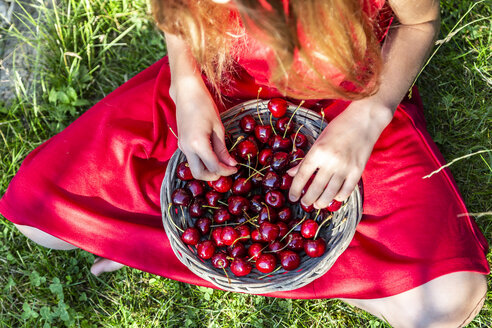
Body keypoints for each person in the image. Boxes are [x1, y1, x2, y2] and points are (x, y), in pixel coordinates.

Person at [0, 0, 489, 326]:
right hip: (219, 87)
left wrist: (370, 115)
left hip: (346, 101)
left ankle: (173, 252)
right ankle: (314, 270)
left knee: (449, 304)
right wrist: (185, 87)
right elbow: (176, 17)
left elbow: (420, 22)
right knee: (37, 220)